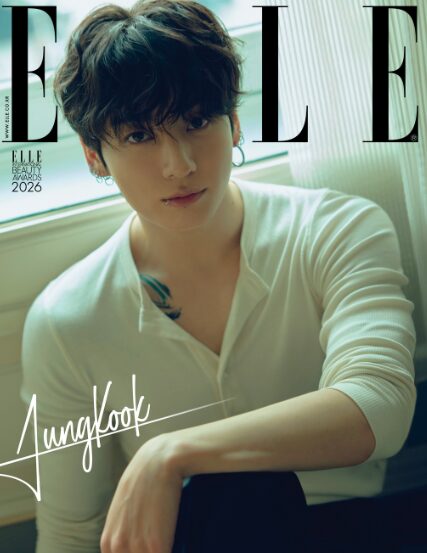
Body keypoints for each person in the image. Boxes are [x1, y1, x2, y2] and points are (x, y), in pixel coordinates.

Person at [20, 1, 417, 552]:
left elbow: (379, 406)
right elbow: (70, 532)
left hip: (340, 529)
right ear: (93, 156)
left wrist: (170, 453)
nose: (179, 164)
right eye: (139, 136)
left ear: (233, 123)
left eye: (196, 122)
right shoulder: (67, 320)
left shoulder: (336, 229)